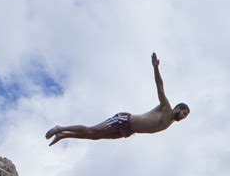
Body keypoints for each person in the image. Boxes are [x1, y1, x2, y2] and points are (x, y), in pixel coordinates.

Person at [45, 53, 189, 146]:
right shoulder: (166, 108)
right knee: (92, 130)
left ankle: (62, 136)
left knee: (94, 137)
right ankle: (60, 128)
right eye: (184, 113)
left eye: (186, 116)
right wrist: (156, 68)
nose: (184, 117)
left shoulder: (169, 123)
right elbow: (160, 86)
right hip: (124, 120)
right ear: (178, 108)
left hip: (127, 131)